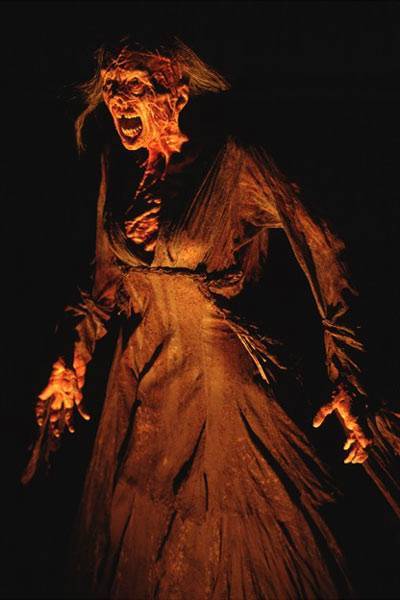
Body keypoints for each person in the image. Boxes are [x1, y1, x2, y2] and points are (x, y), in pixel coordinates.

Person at [27, 35, 399, 599]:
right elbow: (104, 284)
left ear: (176, 86)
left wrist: (348, 372)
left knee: (242, 537)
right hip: (141, 383)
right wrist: (70, 359)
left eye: (134, 85)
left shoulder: (234, 160)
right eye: (110, 87)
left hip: (221, 384)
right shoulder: (117, 164)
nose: (119, 101)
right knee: (147, 539)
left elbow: (328, 254)